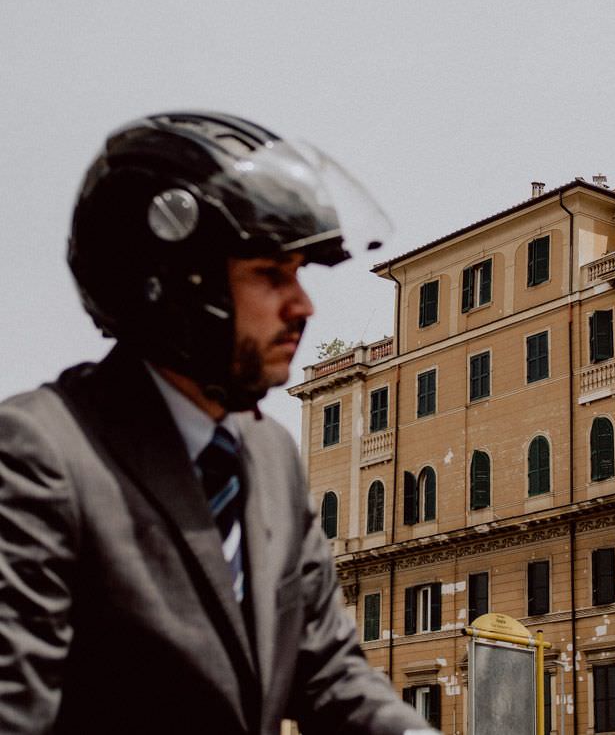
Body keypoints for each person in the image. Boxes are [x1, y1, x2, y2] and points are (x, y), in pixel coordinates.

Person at [0, 113, 436, 734]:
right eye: (269, 275)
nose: (303, 306)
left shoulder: (270, 454)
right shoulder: (39, 452)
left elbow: (327, 668)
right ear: (174, 287)